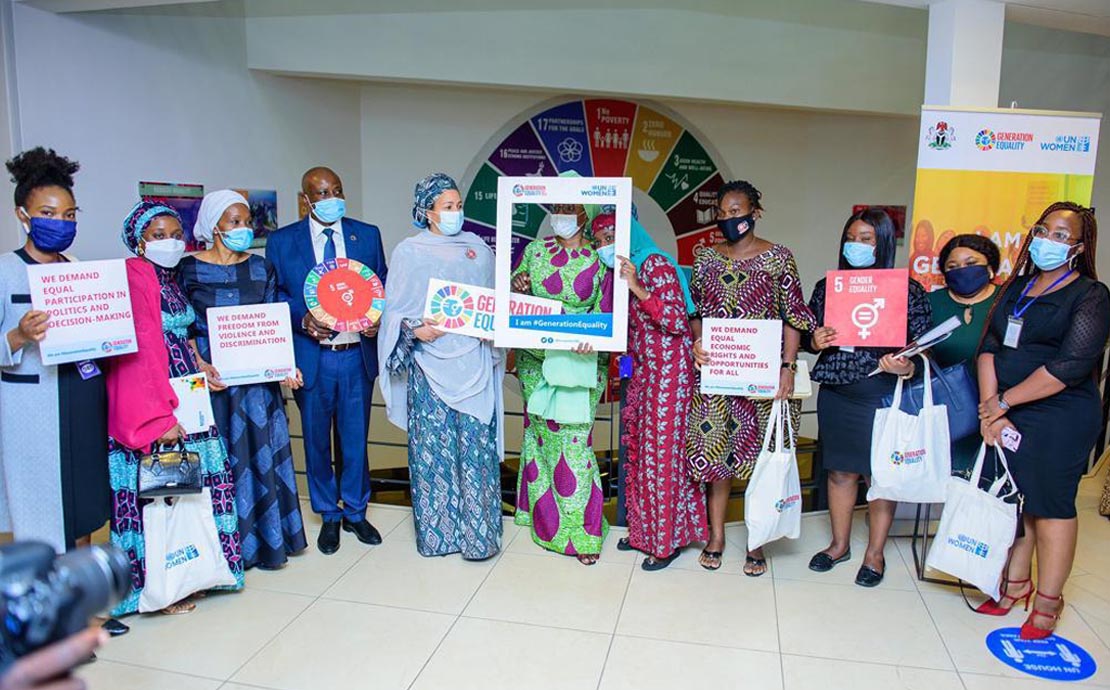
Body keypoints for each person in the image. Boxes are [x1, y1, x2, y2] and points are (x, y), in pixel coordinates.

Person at [976, 201, 1109, 639]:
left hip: (1060, 415)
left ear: (1078, 246)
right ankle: (1015, 585)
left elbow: (1071, 365)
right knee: (1019, 504)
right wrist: (990, 406)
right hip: (1008, 410)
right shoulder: (1017, 288)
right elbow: (990, 347)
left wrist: (1004, 402)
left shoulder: (1089, 294)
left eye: (1060, 235)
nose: (1046, 241)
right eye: (1042, 230)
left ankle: (1048, 601)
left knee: (1049, 506)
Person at [107, 201, 244, 615]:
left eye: (174, 234)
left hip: (187, 393)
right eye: (158, 236)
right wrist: (159, 419)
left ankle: (195, 572)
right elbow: (138, 356)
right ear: (138, 241)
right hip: (154, 405)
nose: (169, 242)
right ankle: (159, 589)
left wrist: (201, 364)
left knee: (190, 492)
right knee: (160, 494)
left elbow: (179, 335)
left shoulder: (167, 278)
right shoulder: (134, 278)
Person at [686, 180, 815, 576]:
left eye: (736, 211)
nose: (729, 219)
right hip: (719, 374)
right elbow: (696, 310)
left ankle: (757, 540)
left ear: (754, 213)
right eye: (722, 213)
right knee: (715, 456)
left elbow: (794, 315)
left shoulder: (779, 259)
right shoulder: (705, 257)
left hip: (763, 378)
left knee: (762, 459)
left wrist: (788, 367)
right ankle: (717, 536)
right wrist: (696, 343)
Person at [178, 189, 308, 570]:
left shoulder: (260, 268)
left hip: (258, 386)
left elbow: (273, 324)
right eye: (234, 223)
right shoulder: (187, 270)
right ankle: (221, 551)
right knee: (219, 460)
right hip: (212, 381)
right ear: (214, 227)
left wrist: (287, 365)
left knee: (260, 456)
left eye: (246, 222)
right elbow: (179, 325)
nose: (244, 229)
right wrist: (197, 361)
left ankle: (266, 544)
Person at [379, 173, 504, 560]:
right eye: (447, 207)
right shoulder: (409, 252)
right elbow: (393, 312)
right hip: (428, 367)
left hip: (474, 362)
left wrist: (491, 329)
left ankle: (479, 538)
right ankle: (439, 537)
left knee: (476, 451)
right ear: (427, 212)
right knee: (433, 453)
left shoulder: (479, 249)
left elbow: (491, 302)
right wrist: (416, 329)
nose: (456, 213)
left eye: (459, 205)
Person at [804, 207, 932, 588]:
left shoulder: (907, 290)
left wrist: (906, 367)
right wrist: (815, 340)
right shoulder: (829, 287)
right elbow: (809, 334)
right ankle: (838, 545)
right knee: (841, 470)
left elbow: (923, 348)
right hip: (837, 394)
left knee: (881, 475)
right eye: (851, 238)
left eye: (866, 240)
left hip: (881, 394)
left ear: (883, 245)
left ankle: (874, 553)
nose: (855, 246)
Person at [266, 167, 388, 555]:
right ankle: (328, 515)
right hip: (313, 356)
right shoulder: (283, 242)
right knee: (316, 442)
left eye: (337, 190)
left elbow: (380, 286)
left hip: (356, 355)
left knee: (355, 441)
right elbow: (273, 296)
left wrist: (376, 320)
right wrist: (302, 319)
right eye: (321, 193)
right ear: (305, 200)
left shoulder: (366, 235)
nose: (331, 198)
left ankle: (355, 510)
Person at [0, 148, 110, 554]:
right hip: (32, 406)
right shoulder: (4, 270)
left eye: (68, 215)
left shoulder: (76, 266)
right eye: (47, 214)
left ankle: (83, 601)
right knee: (42, 508)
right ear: (22, 215)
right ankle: (53, 608)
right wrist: (18, 336)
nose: (60, 224)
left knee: (83, 503)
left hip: (80, 396)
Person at [592, 212, 707, 570]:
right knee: (641, 454)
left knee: (662, 459)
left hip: (669, 374)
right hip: (642, 372)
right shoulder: (618, 272)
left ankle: (664, 542)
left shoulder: (654, 263)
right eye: (598, 240)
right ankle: (642, 533)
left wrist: (638, 287)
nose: (604, 245)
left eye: (611, 234)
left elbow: (675, 320)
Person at [511, 186, 609, 566]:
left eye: (569, 208)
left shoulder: (599, 257)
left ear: (584, 212)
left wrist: (590, 335)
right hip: (536, 362)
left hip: (580, 362)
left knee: (573, 444)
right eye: (556, 208)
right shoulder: (535, 252)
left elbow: (607, 310)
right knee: (541, 438)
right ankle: (546, 527)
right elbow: (515, 296)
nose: (561, 214)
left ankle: (581, 535)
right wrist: (516, 285)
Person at [928, 234, 1000, 477]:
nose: (962, 271)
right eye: (953, 266)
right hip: (949, 408)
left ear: (990, 268)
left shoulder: (1006, 302)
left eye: (971, 263)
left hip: (1000, 408)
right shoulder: (931, 303)